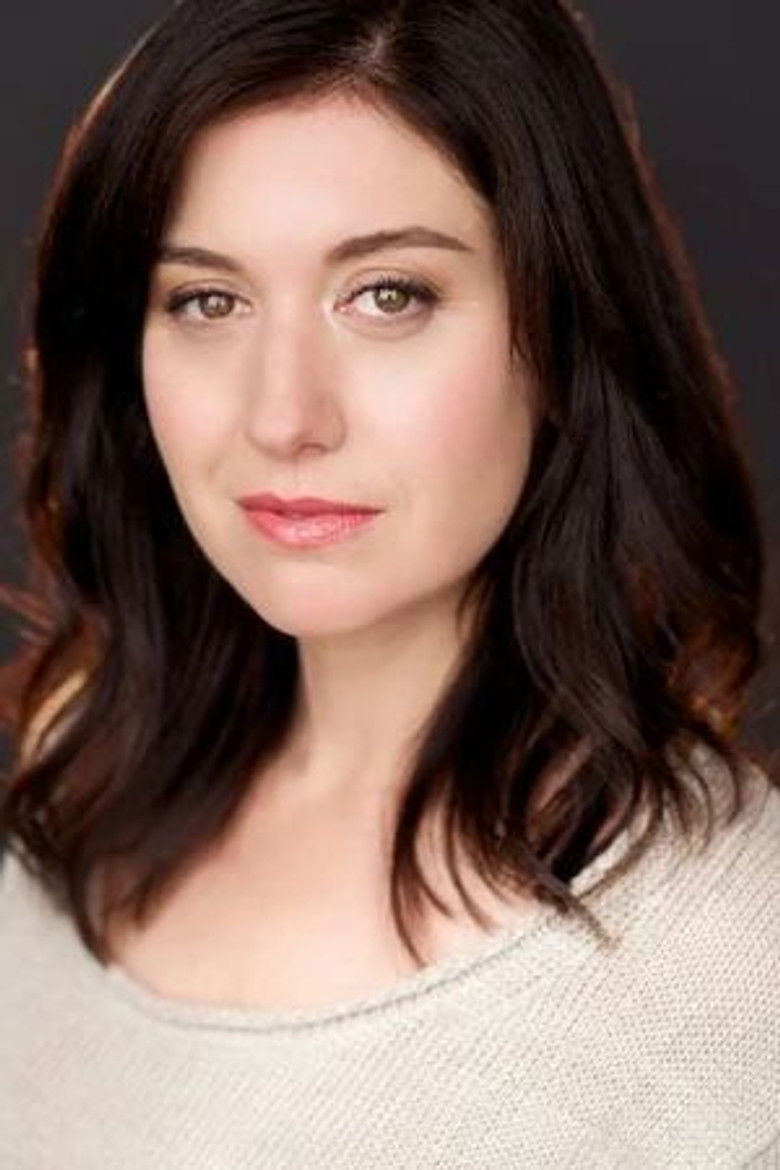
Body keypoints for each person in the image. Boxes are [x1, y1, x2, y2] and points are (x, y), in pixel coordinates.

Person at [0, 0, 778, 1165]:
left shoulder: (734, 973)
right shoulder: (73, 801)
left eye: (388, 295)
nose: (283, 417)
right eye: (208, 300)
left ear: (561, 333)